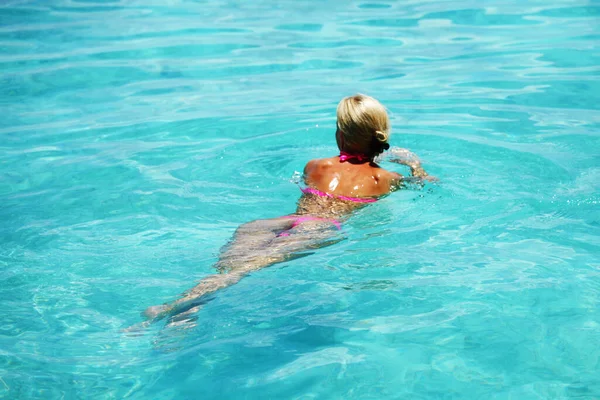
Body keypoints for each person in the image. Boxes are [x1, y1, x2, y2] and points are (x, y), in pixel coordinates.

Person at [143, 94, 434, 322]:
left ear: (340, 135)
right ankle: (177, 307)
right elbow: (422, 185)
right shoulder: (385, 179)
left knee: (230, 267)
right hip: (321, 228)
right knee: (245, 270)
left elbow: (327, 176)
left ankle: (188, 305)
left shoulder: (315, 165)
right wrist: (415, 166)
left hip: (278, 221)